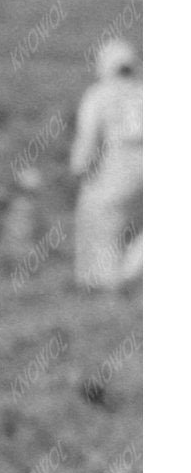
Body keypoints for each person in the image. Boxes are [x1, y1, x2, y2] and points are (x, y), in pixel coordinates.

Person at [70, 37, 142, 293]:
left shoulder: (100, 94)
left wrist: (79, 169)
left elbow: (88, 137)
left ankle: (110, 285)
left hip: (119, 166)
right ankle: (130, 274)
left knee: (104, 226)